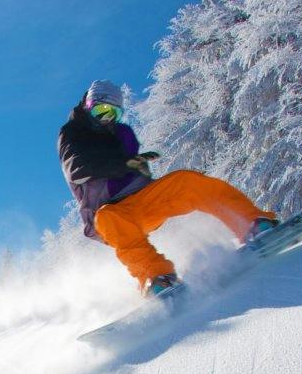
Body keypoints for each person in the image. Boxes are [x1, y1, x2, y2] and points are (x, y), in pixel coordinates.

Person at [57, 79, 279, 296]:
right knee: (108, 218)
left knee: (186, 181)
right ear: (88, 106)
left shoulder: (122, 133)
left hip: (143, 201)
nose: (106, 119)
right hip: (111, 214)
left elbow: (131, 168)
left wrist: (138, 165)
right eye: (101, 111)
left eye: (113, 113)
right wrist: (122, 164)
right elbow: (77, 167)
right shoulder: (72, 134)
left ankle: (250, 224)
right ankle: (156, 278)